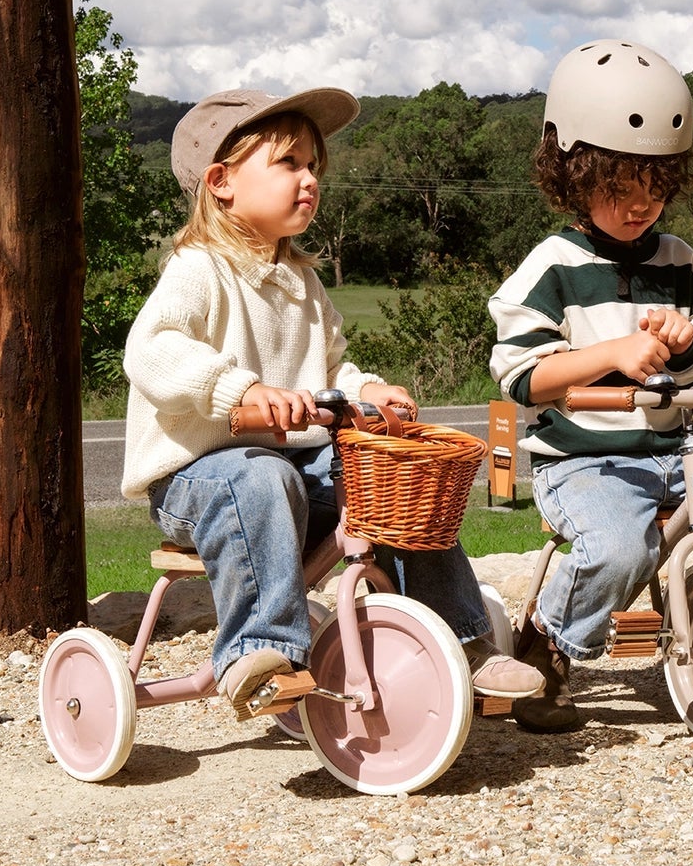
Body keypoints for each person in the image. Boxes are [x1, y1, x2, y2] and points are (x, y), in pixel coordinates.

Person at [122, 86, 544, 715]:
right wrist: (241, 391)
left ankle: (461, 641)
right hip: (200, 479)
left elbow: (330, 368)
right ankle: (259, 650)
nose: (309, 179)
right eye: (288, 163)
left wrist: (366, 390)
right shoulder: (198, 269)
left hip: (291, 472)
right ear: (221, 181)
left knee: (395, 478)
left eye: (314, 166)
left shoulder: (302, 281)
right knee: (259, 475)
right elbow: (151, 349)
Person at [489, 42, 693, 733]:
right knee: (619, 546)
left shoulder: (678, 262)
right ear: (573, 176)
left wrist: (690, 343)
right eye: (620, 187)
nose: (642, 206)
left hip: (677, 454)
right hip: (584, 460)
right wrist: (610, 352)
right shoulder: (553, 266)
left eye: (656, 187)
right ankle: (547, 646)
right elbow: (521, 375)